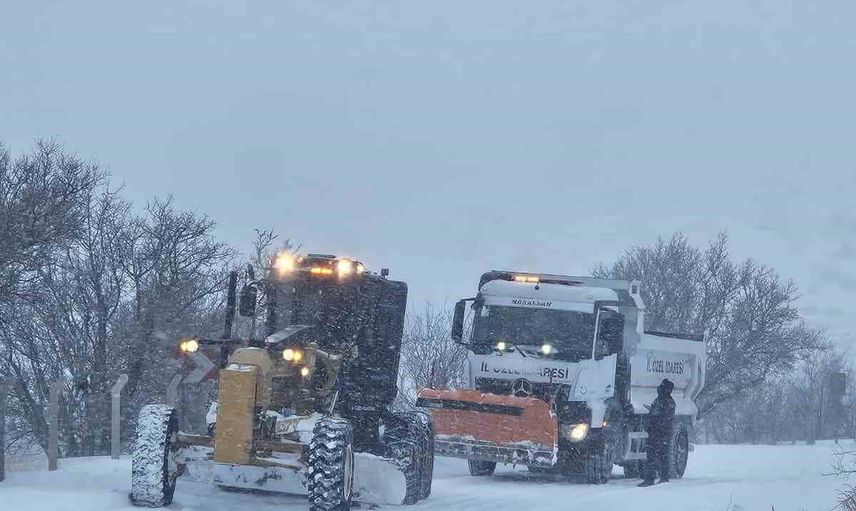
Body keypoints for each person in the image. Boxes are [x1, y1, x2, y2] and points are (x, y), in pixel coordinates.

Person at [638, 378, 676, 487]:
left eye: (661, 387)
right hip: (660, 432)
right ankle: (663, 477)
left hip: (659, 432)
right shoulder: (666, 401)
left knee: (653, 455)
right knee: (661, 455)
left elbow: (662, 418)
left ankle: (651, 479)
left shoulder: (665, 402)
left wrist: (653, 417)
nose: (659, 389)